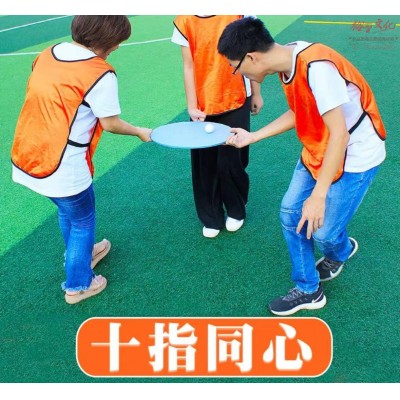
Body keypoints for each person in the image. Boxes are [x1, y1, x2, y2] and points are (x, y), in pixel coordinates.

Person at [217, 17, 386, 315]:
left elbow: (340, 135)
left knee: (324, 234)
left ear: (252, 58)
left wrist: (318, 197)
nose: (237, 73)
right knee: (290, 214)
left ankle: (340, 250)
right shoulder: (287, 61)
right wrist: (253, 136)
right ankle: (309, 289)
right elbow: (301, 112)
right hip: (317, 148)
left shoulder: (317, 68)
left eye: (235, 67)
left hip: (356, 156)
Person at [11, 15, 152, 304]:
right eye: (117, 42)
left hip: (28, 154)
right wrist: (140, 131)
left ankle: (83, 254)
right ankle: (78, 285)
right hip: (63, 166)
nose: (117, 47)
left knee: (69, 213)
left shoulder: (48, 53)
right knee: (83, 221)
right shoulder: (100, 73)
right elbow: (110, 123)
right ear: (107, 40)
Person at [171, 15, 264, 238]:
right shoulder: (184, 20)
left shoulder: (240, 12)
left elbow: (252, 54)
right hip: (202, 106)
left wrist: (256, 93)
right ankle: (211, 217)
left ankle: (236, 209)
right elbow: (188, 66)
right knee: (204, 164)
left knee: (232, 160)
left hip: (236, 99)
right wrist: (192, 106)